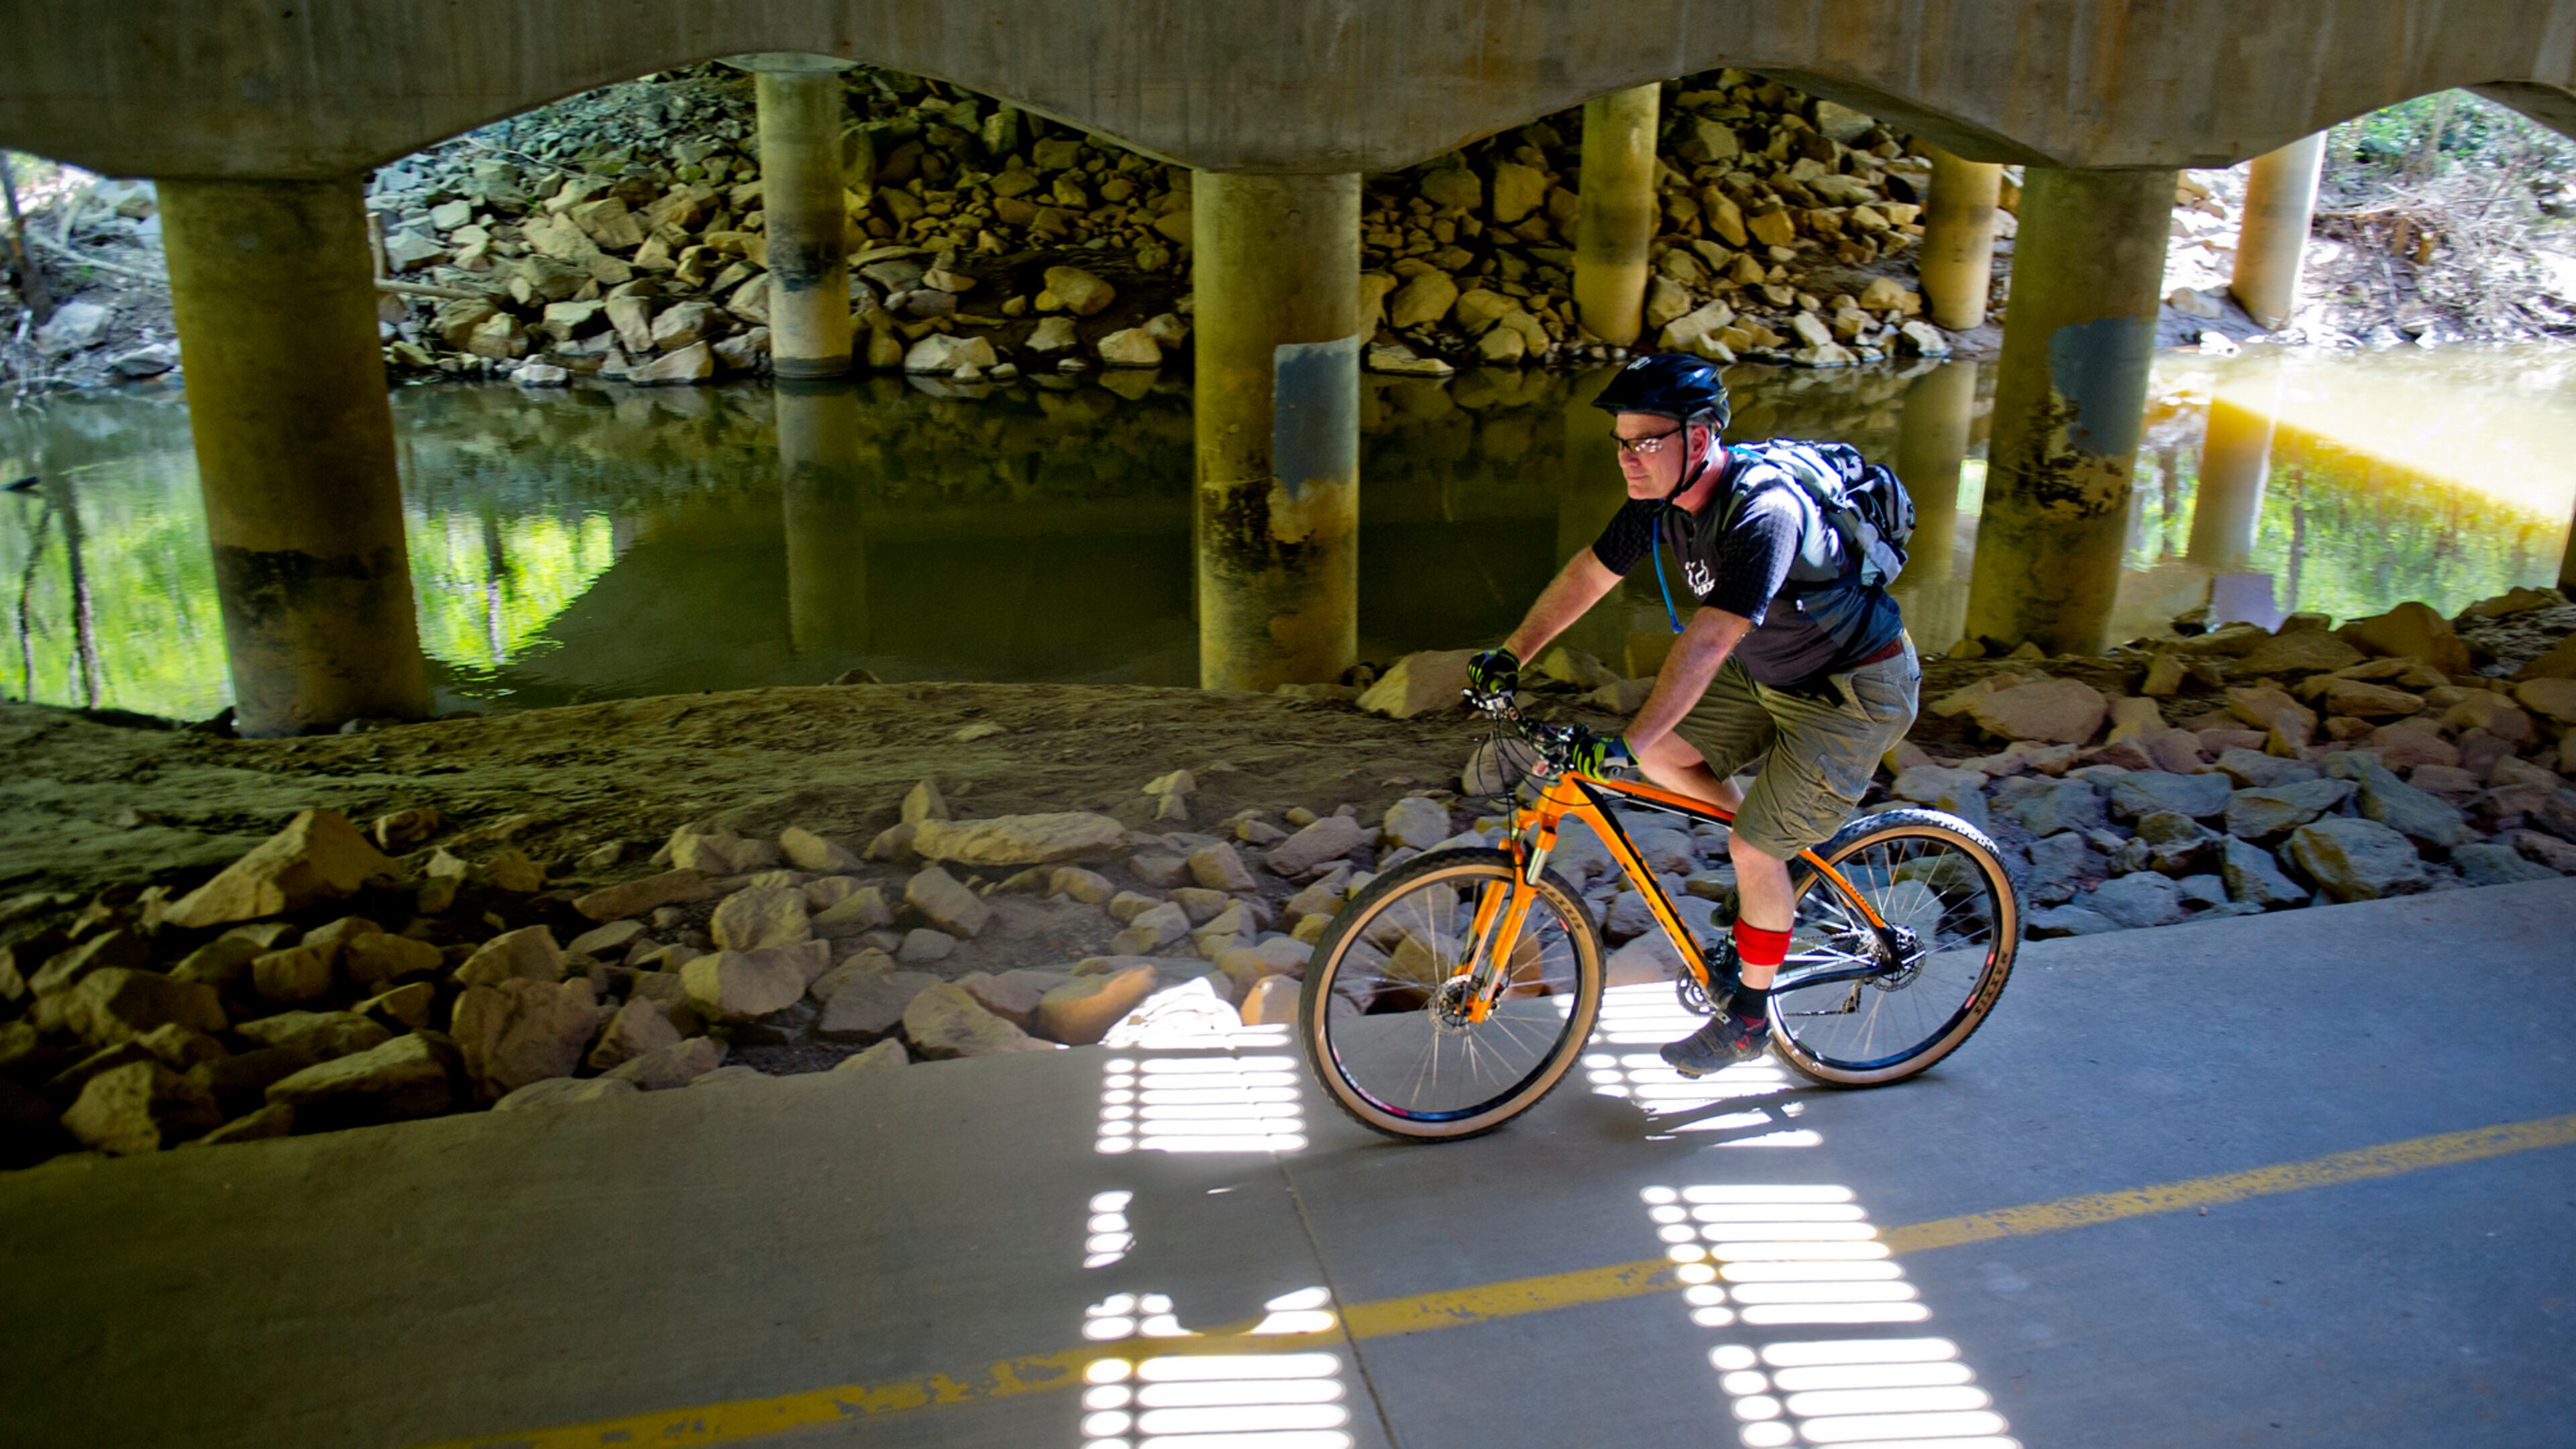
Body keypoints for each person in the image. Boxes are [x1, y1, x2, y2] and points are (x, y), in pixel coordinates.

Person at [1468, 353, 1921, 1077]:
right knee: (1666, 757)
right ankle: (1765, 892)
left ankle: (1748, 1020)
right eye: (1621, 442)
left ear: (1701, 440)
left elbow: (1711, 637)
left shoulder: (1764, 512)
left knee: (1752, 846)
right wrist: (1511, 653)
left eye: (1646, 441)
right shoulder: (1660, 500)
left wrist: (1622, 740)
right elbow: (1592, 570)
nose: (1629, 459)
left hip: (1852, 692)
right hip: (1772, 672)